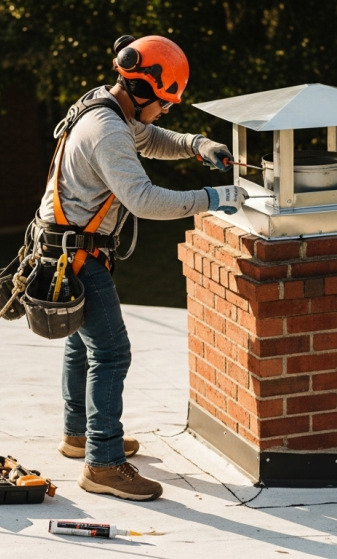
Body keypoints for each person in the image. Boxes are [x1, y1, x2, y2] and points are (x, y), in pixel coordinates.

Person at [35, 34, 246, 501]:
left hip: (62, 249)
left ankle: (79, 435)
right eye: (166, 103)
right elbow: (144, 200)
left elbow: (149, 138)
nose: (164, 112)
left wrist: (196, 144)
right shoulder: (108, 130)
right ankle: (104, 463)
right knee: (111, 351)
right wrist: (216, 198)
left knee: (81, 341)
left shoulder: (106, 106)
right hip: (76, 254)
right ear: (144, 89)